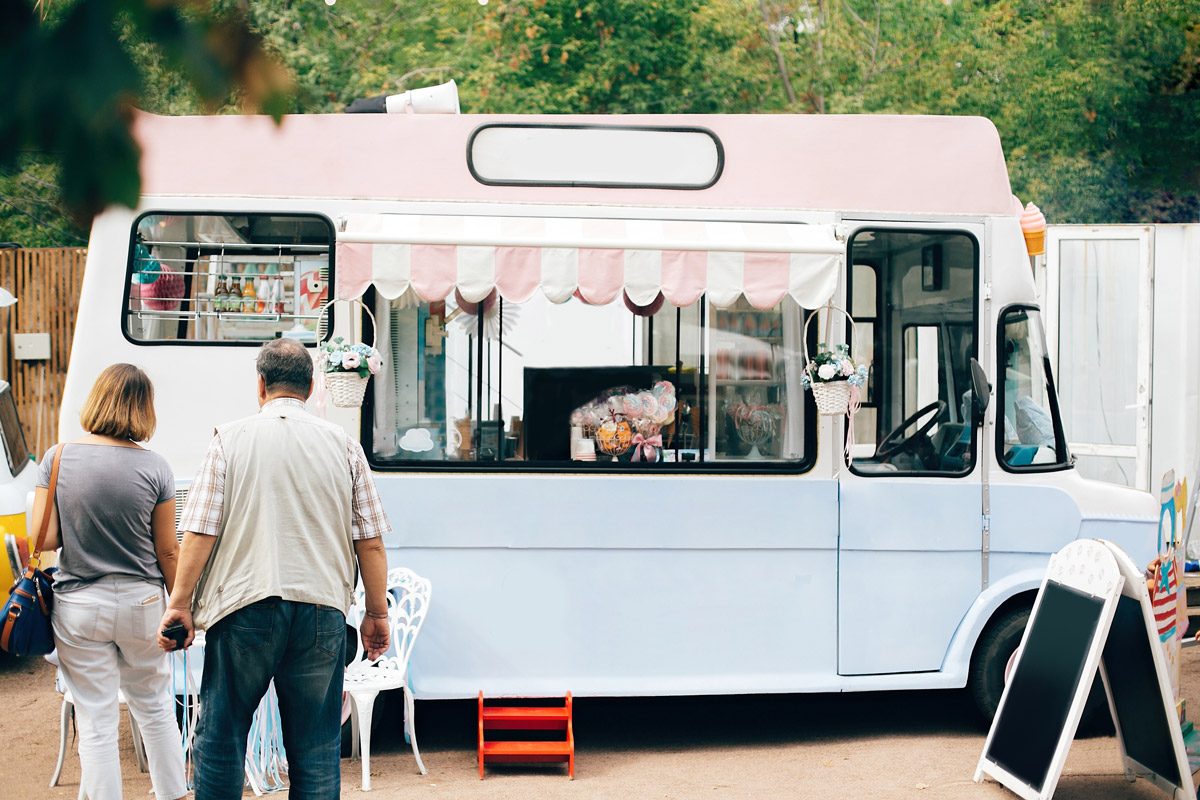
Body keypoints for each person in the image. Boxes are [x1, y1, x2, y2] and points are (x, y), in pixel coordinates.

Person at [159, 337, 391, 800]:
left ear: (260, 385)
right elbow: (370, 541)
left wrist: (180, 604)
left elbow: (199, 531)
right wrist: (376, 612)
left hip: (245, 608)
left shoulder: (229, 439)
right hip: (322, 613)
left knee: (222, 739)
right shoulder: (345, 446)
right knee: (316, 747)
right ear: (311, 387)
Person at [33, 363, 187, 800]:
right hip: (142, 604)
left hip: (79, 603)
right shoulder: (156, 467)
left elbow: (43, 539)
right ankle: (173, 795)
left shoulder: (57, 458)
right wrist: (181, 606)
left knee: (97, 720)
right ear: (144, 409)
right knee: (156, 709)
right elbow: (167, 551)